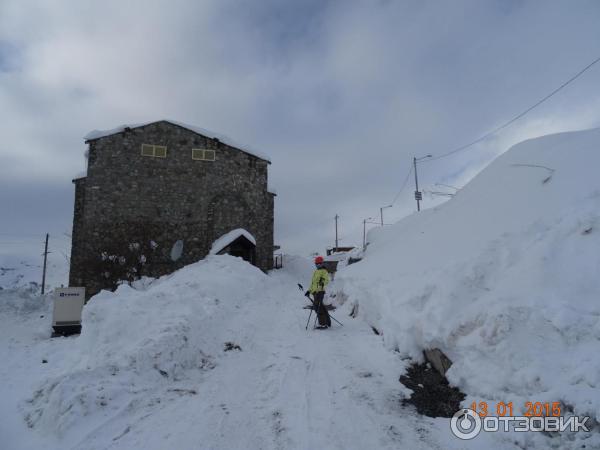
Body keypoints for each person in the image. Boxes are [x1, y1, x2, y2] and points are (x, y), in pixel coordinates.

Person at [305, 256, 331, 329]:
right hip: (315, 292)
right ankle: (327, 322)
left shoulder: (324, 271)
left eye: (319, 264)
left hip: (320, 291)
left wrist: (322, 282)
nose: (318, 265)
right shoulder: (316, 272)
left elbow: (326, 280)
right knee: (321, 307)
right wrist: (309, 291)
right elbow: (313, 283)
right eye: (316, 264)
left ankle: (323, 324)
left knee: (317, 307)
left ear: (322, 264)